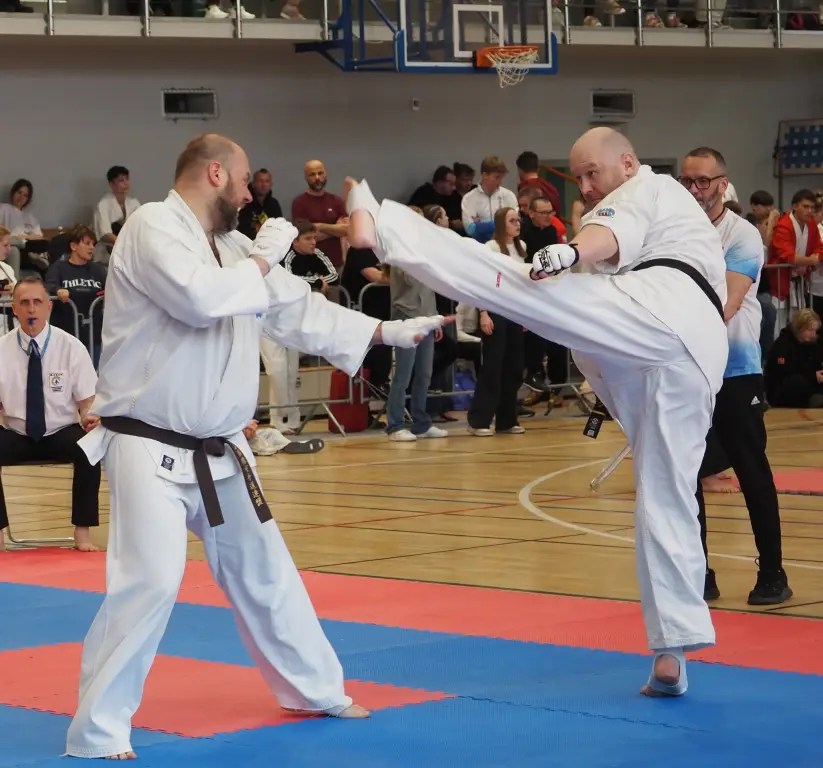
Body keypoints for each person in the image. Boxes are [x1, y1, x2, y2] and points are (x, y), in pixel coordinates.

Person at [65, 133, 449, 760]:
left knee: (266, 570)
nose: (249, 196)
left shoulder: (235, 248)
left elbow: (297, 312)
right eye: (245, 182)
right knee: (150, 581)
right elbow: (200, 300)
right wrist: (265, 259)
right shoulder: (151, 228)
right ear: (216, 173)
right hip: (147, 444)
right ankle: (98, 731)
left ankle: (313, 689)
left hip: (220, 449)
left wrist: (384, 330)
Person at [346, 126, 729, 698]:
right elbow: (603, 244)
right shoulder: (639, 207)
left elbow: (606, 235)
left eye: (592, 173)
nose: (585, 185)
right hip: (689, 355)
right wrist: (575, 257)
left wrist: (572, 251)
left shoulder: (650, 187)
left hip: (665, 311)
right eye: (577, 177)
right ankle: (673, 649)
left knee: (525, 288)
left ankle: (386, 227)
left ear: (627, 162)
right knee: (665, 493)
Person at [679, 147, 790, 605]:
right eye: (687, 181)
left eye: (703, 181)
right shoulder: (672, 235)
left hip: (736, 370)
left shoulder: (741, 235)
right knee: (688, 475)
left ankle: (773, 573)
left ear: (723, 184)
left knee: (751, 469)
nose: (695, 189)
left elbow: (727, 302)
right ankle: (699, 572)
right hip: (687, 371)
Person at [0, 277, 101, 552]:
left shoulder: (71, 347)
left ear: (49, 307)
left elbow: (87, 401)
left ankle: (83, 533)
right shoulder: (1, 349)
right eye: (24, 303)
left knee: (89, 448)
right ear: (14, 309)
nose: (31, 309)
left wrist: (89, 417)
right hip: (16, 432)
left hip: (60, 431)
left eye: (37, 302)